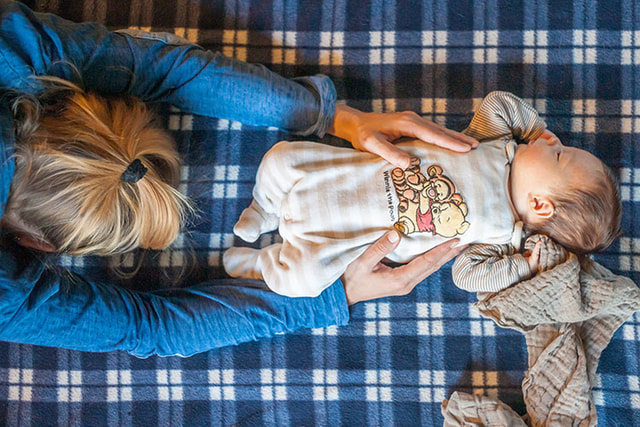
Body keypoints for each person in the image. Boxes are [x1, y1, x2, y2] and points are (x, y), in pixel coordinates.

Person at [0, 2, 476, 357]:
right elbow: (162, 66)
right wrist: (332, 116)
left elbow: (153, 330)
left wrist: (337, 118)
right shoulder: (22, 52)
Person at [223, 91, 621, 297]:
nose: (553, 139)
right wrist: (534, 131)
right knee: (280, 159)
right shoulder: (495, 143)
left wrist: (525, 265)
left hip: (342, 238)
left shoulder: (501, 237)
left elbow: (467, 276)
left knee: (303, 280)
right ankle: (264, 209)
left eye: (559, 153)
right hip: (335, 176)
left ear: (540, 204)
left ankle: (259, 265)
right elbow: (498, 103)